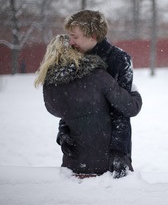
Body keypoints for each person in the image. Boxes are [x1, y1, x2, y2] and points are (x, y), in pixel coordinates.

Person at [34, 34, 142, 177]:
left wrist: (63, 133)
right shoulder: (96, 76)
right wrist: (134, 92)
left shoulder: (51, 86)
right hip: (106, 163)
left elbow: (65, 114)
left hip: (73, 164)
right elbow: (130, 107)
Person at [58, 10, 136, 178]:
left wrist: (119, 151)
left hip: (109, 150)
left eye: (75, 37)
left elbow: (121, 111)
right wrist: (63, 133)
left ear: (92, 35)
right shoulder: (73, 59)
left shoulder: (119, 59)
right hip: (77, 151)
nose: (70, 42)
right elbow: (69, 105)